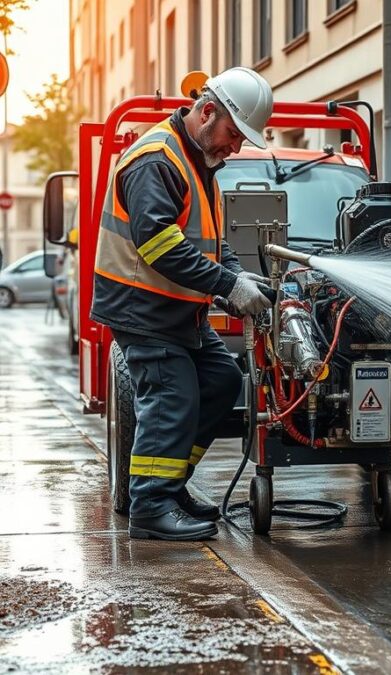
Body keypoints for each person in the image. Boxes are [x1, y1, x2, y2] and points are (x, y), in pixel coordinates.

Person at [90, 67, 274, 540]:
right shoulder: (158, 160)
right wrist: (228, 288)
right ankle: (150, 506)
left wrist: (235, 276)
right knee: (173, 397)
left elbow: (210, 242)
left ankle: (169, 487)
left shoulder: (198, 161)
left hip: (177, 310)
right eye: (234, 135)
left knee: (220, 381)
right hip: (144, 309)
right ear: (207, 112)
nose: (235, 147)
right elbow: (159, 245)